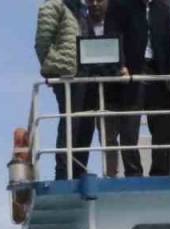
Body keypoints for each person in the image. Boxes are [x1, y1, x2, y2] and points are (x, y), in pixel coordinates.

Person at [105, 0, 170, 177]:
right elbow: (112, 35)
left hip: (158, 70)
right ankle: (133, 171)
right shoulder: (119, 4)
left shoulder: (163, 6)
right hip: (130, 71)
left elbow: (167, 42)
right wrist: (120, 65)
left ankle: (160, 172)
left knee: (163, 124)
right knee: (129, 127)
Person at [36, 0, 95, 180]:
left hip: (87, 73)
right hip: (68, 74)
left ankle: (78, 169)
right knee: (71, 121)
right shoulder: (54, 5)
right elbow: (42, 43)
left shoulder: (82, 8)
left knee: (87, 123)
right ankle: (63, 172)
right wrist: (55, 67)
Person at [85, 0, 121, 177]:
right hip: (88, 89)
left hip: (116, 88)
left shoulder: (118, 22)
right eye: (90, 0)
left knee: (118, 134)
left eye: (100, 0)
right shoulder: (80, 24)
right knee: (95, 134)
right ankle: (109, 174)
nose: (95, 4)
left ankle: (120, 174)